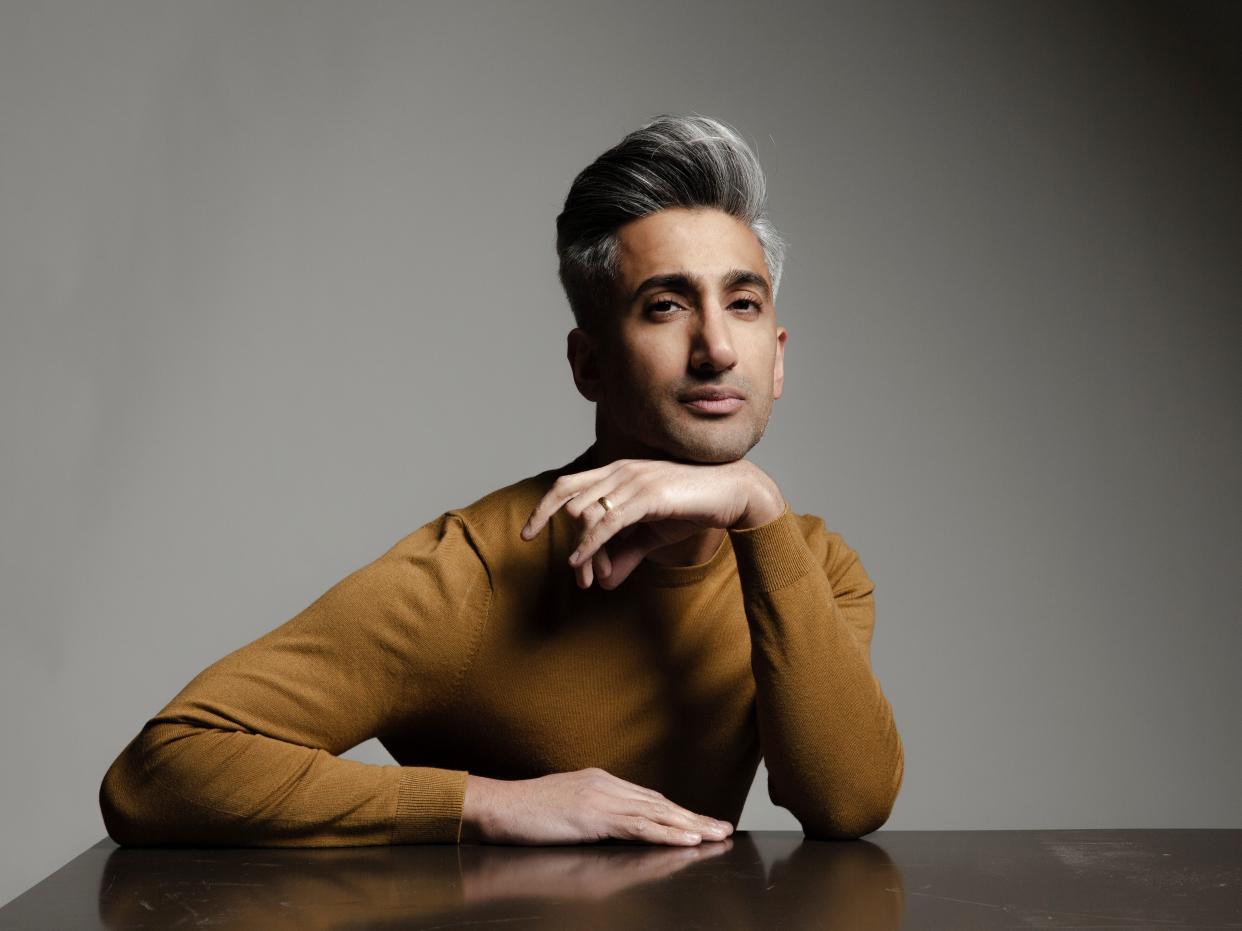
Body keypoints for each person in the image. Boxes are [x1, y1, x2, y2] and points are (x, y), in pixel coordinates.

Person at [98, 113, 904, 849]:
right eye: (665, 305)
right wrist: (489, 803)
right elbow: (160, 768)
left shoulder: (808, 565)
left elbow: (847, 802)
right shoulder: (481, 570)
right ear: (589, 363)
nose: (718, 348)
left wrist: (758, 508)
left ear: (780, 354)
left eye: (744, 303)